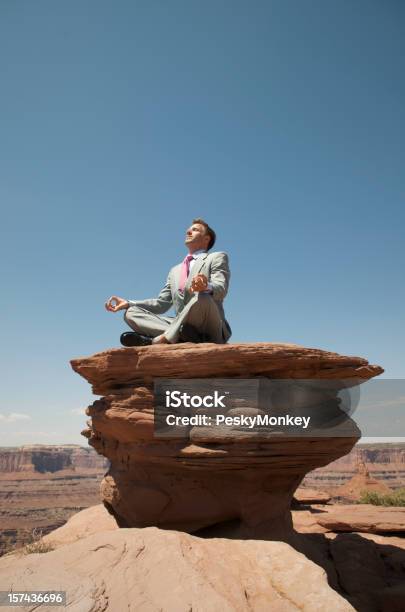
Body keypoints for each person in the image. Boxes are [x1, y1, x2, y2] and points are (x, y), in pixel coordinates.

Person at [105, 218, 231, 346]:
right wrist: (128, 303)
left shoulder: (216, 257)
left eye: (195, 230)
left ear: (206, 239)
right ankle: (183, 336)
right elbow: (161, 304)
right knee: (131, 313)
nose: (188, 232)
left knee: (202, 297)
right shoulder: (174, 271)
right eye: (188, 230)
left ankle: (158, 340)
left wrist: (206, 286)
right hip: (183, 326)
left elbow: (221, 289)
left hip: (209, 325)